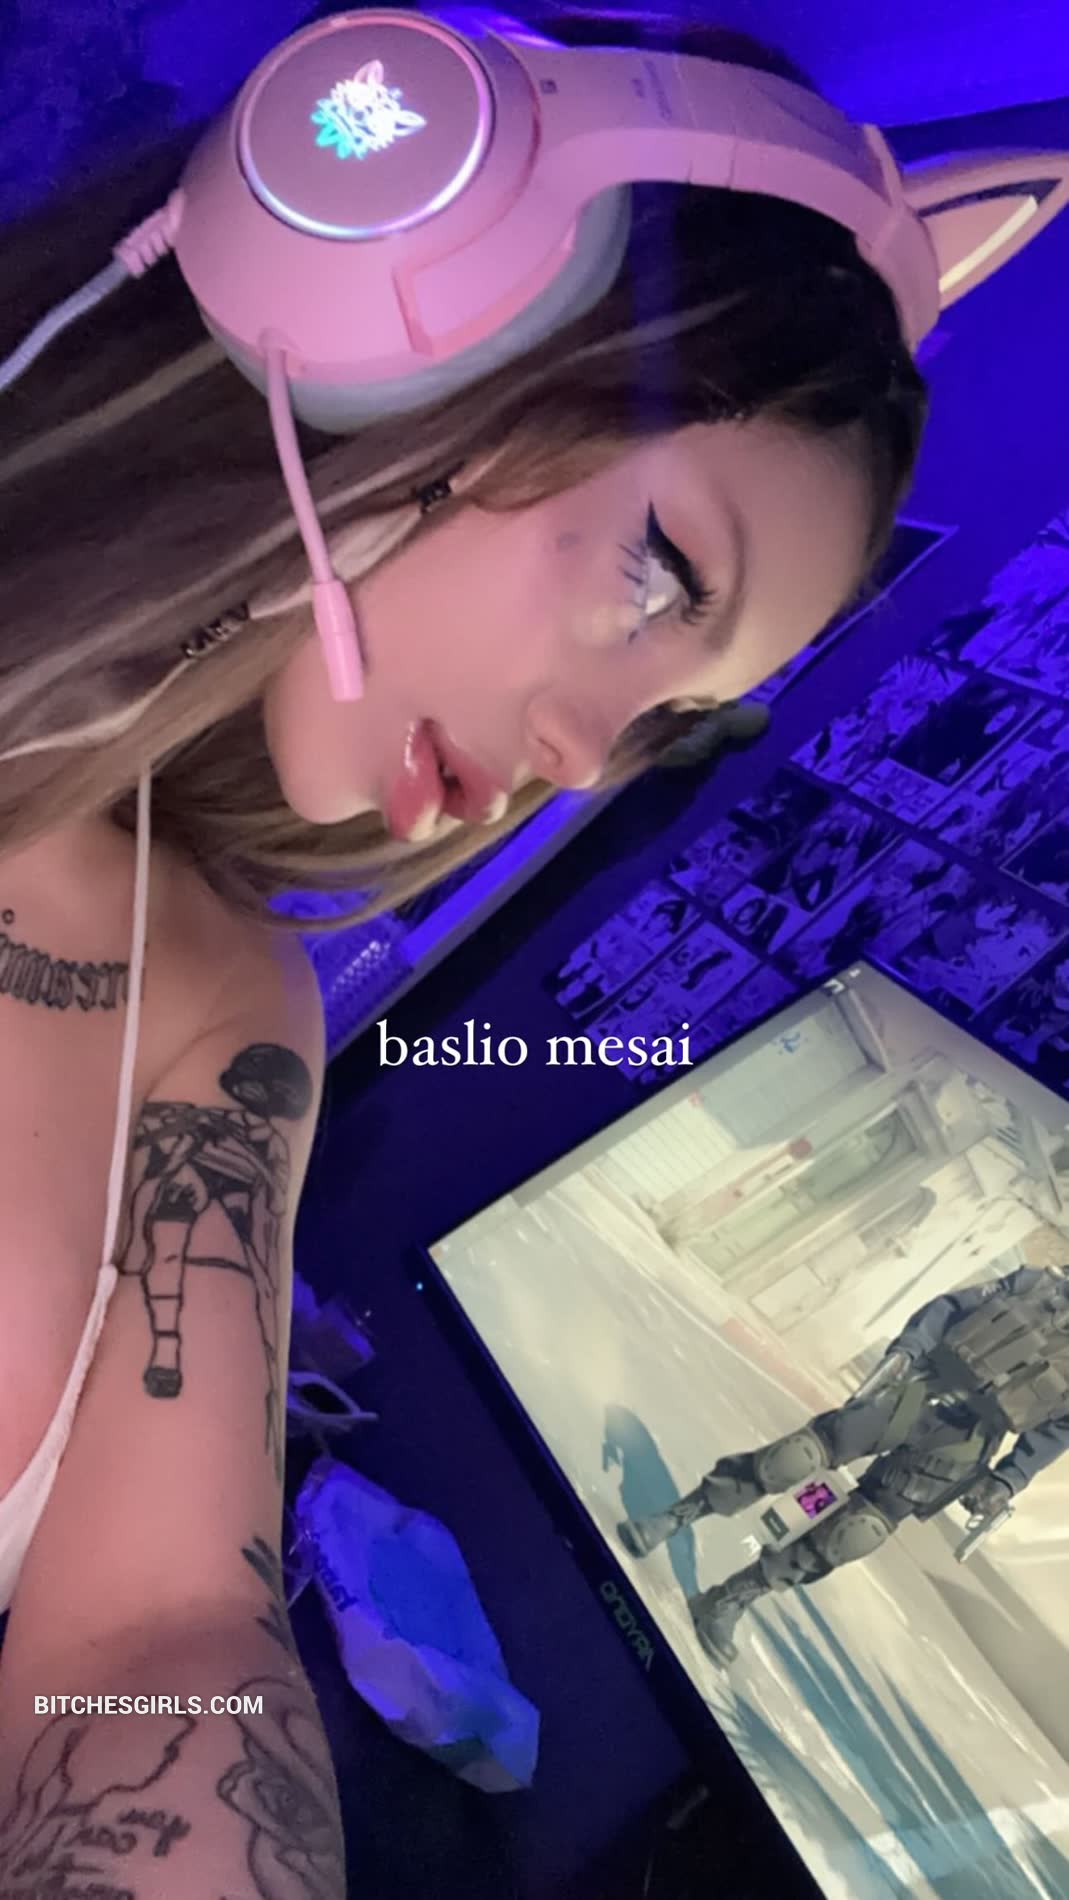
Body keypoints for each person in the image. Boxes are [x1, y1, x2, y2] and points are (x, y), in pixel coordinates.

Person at [0, 0, 1045, 1890]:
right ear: (399, 310)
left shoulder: (226, 1015)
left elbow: (155, 1648)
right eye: (659, 577)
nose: (579, 758)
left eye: (667, 723)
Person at [619, 1265, 1069, 1667]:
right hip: (917, 1392)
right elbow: (948, 1308)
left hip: (964, 1444)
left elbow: (1057, 1430)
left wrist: (1008, 1479)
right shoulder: (1035, 1284)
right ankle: (675, 1517)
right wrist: (907, 1350)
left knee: (856, 1532)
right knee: (795, 1459)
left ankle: (728, 1600)